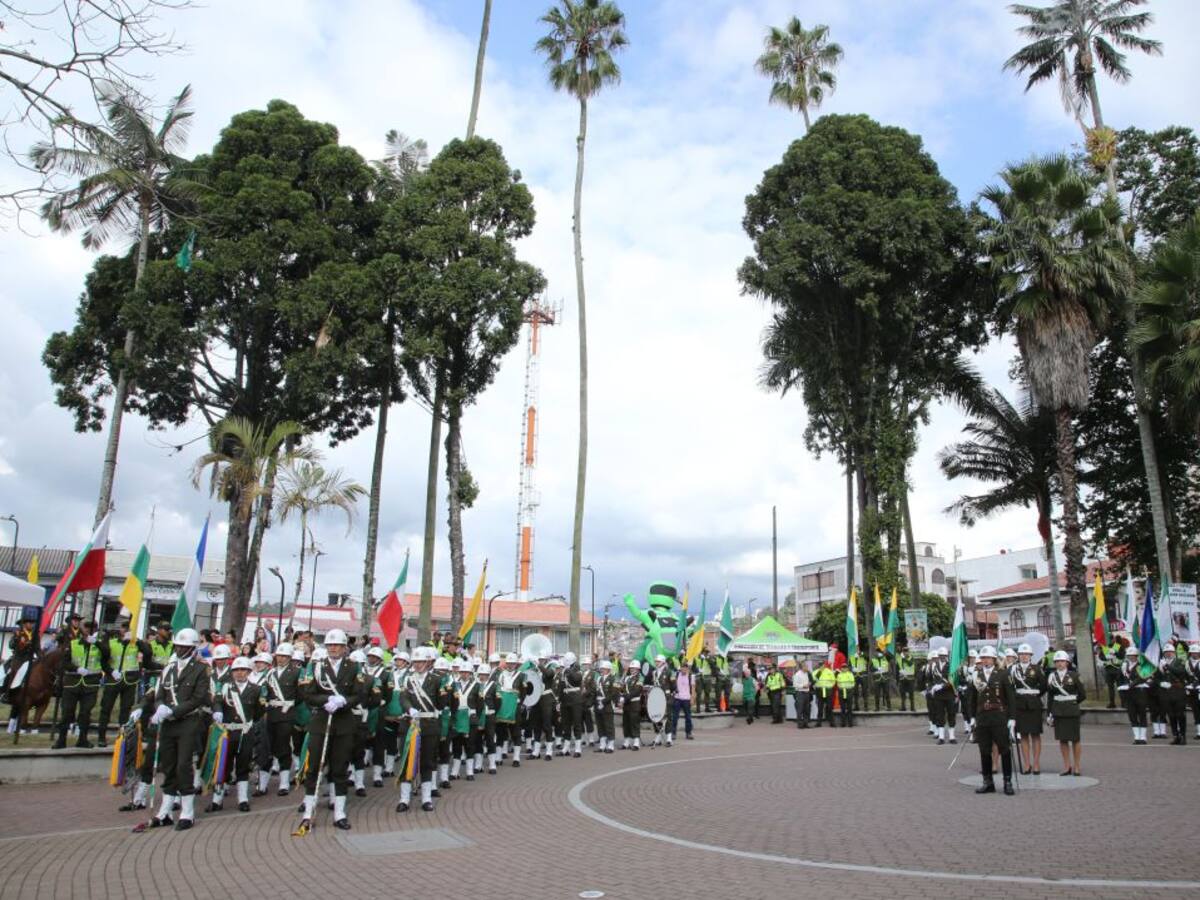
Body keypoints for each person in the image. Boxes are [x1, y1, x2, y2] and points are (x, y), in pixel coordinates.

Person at [296, 628, 369, 832]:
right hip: (321, 721)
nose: (333, 648)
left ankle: (339, 813)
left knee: (340, 767)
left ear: (345, 647)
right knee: (315, 768)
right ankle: (308, 812)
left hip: (344, 723)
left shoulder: (354, 667)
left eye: (337, 645)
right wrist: (326, 699)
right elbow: (307, 694)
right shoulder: (316, 666)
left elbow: (360, 693)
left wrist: (343, 700)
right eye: (330, 645)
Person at [148, 627, 210, 829]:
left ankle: (187, 812)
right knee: (168, 765)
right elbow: (159, 695)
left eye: (185, 647)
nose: (180, 650)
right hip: (168, 724)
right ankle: (165, 811)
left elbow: (198, 698)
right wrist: (160, 709)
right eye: (178, 646)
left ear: (193, 649)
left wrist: (174, 711)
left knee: (184, 765)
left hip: (188, 722)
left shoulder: (201, 669)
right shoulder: (168, 669)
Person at [208, 656, 266, 813]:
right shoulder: (225, 687)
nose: (240, 673)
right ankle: (217, 799)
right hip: (227, 733)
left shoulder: (256, 690)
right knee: (223, 766)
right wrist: (218, 711)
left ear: (248, 672)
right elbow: (217, 701)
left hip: (244, 732)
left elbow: (259, 711)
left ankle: (242, 799)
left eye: (243, 670)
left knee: (243, 765)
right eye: (236, 670)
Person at [398, 646, 443, 812]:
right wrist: (409, 709)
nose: (417, 665)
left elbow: (441, 703)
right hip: (410, 723)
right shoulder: (407, 678)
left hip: (429, 724)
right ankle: (404, 798)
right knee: (407, 761)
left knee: (427, 762)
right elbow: (403, 698)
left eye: (421, 662)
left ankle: (426, 799)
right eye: (415, 662)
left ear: (428, 663)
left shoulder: (437, 680)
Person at [967, 646, 1015, 796]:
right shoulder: (976, 675)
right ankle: (988, 782)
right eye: (984, 658)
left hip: (999, 716)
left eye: (989, 658)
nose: (986, 660)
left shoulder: (1003, 674)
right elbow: (972, 699)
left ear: (994, 659)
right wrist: (972, 717)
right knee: (984, 750)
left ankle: (1007, 781)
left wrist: (1012, 718)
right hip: (982, 717)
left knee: (1004, 749)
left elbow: (1011, 698)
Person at [96, 614, 147, 748]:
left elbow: (148, 652)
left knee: (125, 710)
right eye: (125, 628)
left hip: (129, 681)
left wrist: (137, 641)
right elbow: (103, 659)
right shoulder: (112, 642)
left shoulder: (135, 643)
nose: (126, 631)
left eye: (129, 629)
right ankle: (101, 737)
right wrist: (110, 671)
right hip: (113, 679)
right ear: (120, 630)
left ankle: (122, 736)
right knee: (106, 708)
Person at [55, 619, 103, 749]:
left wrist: (97, 643)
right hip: (72, 682)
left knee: (85, 713)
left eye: (92, 627)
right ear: (82, 629)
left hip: (90, 684)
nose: (89, 630)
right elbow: (64, 662)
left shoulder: (99, 644)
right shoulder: (73, 643)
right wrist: (76, 669)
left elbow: (107, 654)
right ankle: (61, 739)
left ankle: (82, 739)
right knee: (67, 712)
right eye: (87, 627)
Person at [261, 641, 299, 796]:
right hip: (271, 713)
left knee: (283, 746)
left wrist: (290, 705)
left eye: (284, 656)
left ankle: (284, 783)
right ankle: (263, 783)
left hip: (287, 713)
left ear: (290, 657)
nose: (281, 659)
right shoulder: (270, 673)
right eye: (279, 656)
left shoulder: (297, 672)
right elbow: (265, 691)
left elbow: (301, 694)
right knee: (267, 747)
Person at [1046, 649, 1086, 774]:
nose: (1059, 664)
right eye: (1057, 661)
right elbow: (1050, 697)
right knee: (1063, 740)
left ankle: (1077, 766)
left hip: (1072, 710)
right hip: (1058, 711)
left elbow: (1082, 694)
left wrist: (1072, 702)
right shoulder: (1052, 677)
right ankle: (1067, 766)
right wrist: (1049, 713)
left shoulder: (1074, 676)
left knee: (1075, 739)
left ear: (1067, 663)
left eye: (1062, 661)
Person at [1010, 643, 1045, 775]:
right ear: (1018, 656)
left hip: (1034, 704)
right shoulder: (1013, 669)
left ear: (1030, 656)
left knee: (1035, 735)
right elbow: (1010, 686)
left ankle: (1036, 763)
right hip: (1019, 705)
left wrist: (1034, 695)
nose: (1024, 656)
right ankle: (1026, 764)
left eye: (1026, 654)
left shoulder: (1036, 669)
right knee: (1023, 735)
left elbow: (1044, 685)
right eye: (1021, 654)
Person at [1157, 644, 1189, 745]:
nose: (1168, 653)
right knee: (1171, 715)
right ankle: (1176, 736)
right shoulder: (1161, 662)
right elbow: (1157, 676)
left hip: (1178, 690)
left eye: (1170, 652)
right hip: (1167, 691)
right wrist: (1160, 683)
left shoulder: (1179, 661)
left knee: (1180, 715)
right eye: (1166, 652)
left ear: (1174, 652)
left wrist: (1167, 666)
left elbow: (1180, 672)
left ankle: (1183, 736)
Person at [620, 659, 643, 750]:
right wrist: (621, 696)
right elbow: (622, 689)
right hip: (626, 704)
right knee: (626, 722)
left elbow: (636, 691)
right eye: (631, 668)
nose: (632, 670)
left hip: (634, 703)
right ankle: (626, 741)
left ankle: (636, 742)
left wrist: (624, 697)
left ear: (638, 669)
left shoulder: (640, 678)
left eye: (634, 668)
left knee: (634, 722)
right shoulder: (627, 678)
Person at [595, 659, 617, 753]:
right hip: (598, 704)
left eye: (603, 669)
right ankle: (602, 744)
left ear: (608, 669)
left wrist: (603, 702)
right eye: (601, 669)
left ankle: (611, 745)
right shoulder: (599, 678)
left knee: (609, 725)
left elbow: (613, 693)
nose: (601, 670)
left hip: (607, 705)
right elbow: (596, 692)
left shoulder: (613, 679)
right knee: (600, 725)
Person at [1098, 637, 1124, 709]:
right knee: (1110, 688)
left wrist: (1115, 653)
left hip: (1117, 669)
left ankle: (1123, 702)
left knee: (1120, 687)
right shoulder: (1106, 647)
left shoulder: (1118, 646)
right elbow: (1101, 656)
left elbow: (1122, 656)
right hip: (1108, 670)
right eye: (1110, 639)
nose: (1112, 640)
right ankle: (1112, 703)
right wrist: (1106, 657)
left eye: (1113, 639)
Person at [671, 661, 694, 741]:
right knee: (675, 717)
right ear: (680, 668)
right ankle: (673, 733)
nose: (683, 669)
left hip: (687, 699)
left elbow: (693, 688)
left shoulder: (691, 676)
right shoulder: (676, 675)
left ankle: (688, 733)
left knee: (688, 717)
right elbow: (672, 684)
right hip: (677, 698)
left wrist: (692, 698)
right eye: (682, 668)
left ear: (687, 669)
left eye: (685, 668)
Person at [814, 660, 835, 727]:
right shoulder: (815, 672)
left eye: (822, 665)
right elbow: (814, 680)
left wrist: (830, 687)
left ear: (824, 665)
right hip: (819, 690)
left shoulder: (829, 671)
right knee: (820, 707)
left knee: (829, 707)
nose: (821, 666)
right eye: (820, 665)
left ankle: (831, 722)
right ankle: (818, 722)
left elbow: (833, 680)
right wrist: (819, 672)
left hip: (828, 690)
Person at [792, 659, 812, 729]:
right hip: (800, 693)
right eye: (806, 666)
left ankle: (806, 723)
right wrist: (803, 686)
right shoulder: (797, 675)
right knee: (800, 709)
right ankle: (800, 724)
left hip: (807, 693)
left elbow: (809, 681)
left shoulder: (806, 673)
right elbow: (795, 685)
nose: (807, 668)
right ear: (802, 667)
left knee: (806, 709)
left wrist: (809, 684)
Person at [835, 662, 856, 727]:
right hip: (841, 692)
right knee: (842, 708)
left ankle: (850, 723)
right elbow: (838, 683)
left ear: (847, 668)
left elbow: (852, 683)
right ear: (841, 668)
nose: (844, 669)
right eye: (843, 667)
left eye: (845, 667)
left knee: (849, 708)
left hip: (849, 691)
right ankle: (843, 723)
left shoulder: (850, 674)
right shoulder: (839, 675)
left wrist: (850, 690)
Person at [1187, 645, 1200, 740]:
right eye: (1192, 652)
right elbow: (1184, 675)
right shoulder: (1187, 663)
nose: (1194, 654)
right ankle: (1199, 731)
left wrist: (1196, 684)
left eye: (1196, 652)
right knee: (1195, 710)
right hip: (1191, 689)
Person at [740, 660, 758, 724]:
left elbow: (757, 687)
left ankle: (749, 719)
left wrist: (754, 694)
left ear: (750, 673)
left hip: (751, 696)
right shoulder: (743, 680)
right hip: (745, 696)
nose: (746, 674)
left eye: (748, 673)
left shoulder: (753, 679)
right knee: (745, 707)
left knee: (750, 708)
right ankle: (750, 717)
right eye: (745, 673)